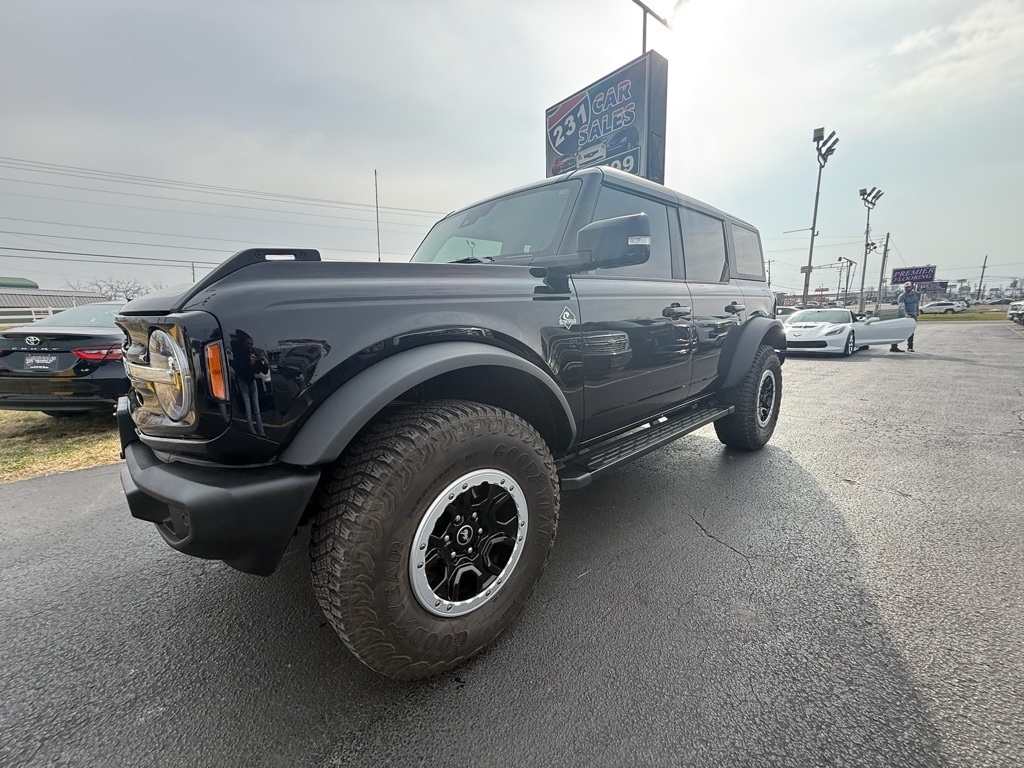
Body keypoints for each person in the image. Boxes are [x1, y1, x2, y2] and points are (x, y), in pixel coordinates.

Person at [891, 282, 920, 352]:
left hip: (913, 315)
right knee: (898, 330)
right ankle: (894, 346)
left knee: (911, 331)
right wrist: (905, 314)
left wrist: (917, 312)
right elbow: (901, 307)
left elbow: (916, 304)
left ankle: (910, 347)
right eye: (905, 288)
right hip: (903, 315)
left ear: (912, 287)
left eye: (908, 287)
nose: (906, 289)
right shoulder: (902, 296)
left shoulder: (917, 295)